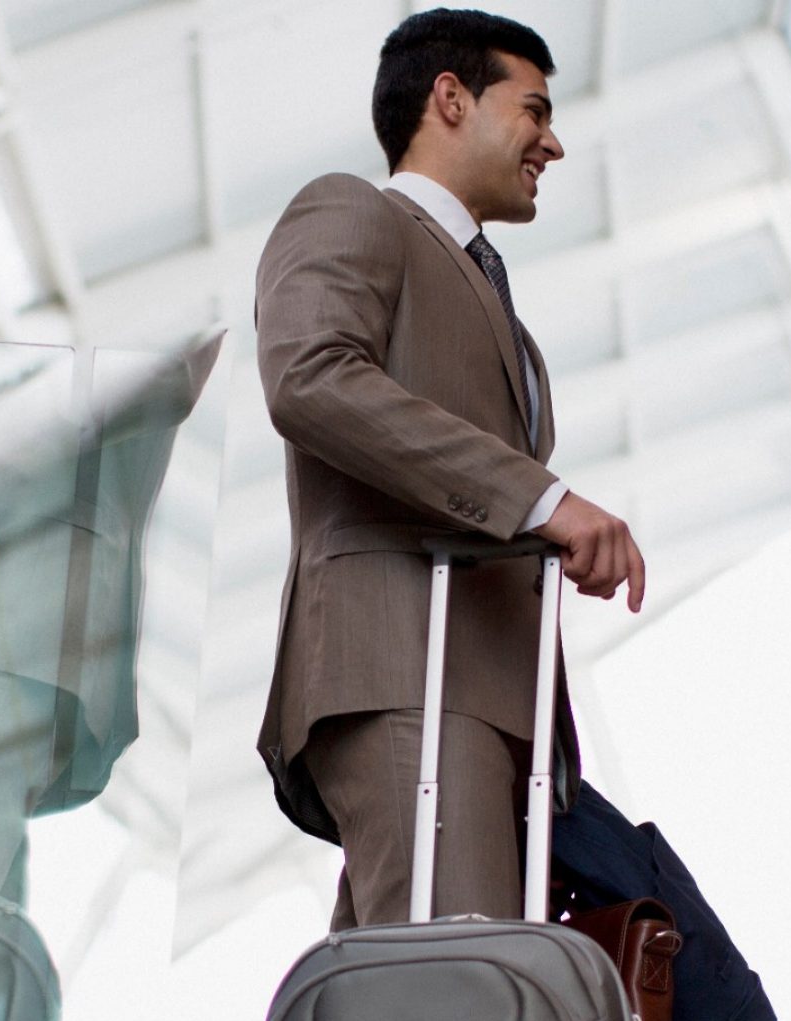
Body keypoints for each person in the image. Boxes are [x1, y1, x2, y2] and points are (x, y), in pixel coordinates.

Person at [255, 7, 644, 928]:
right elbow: (310, 377)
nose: (552, 143)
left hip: (488, 699)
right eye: (534, 110)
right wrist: (541, 500)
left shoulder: (502, 311)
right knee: (452, 980)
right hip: (407, 668)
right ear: (451, 98)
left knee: (424, 982)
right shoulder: (351, 210)